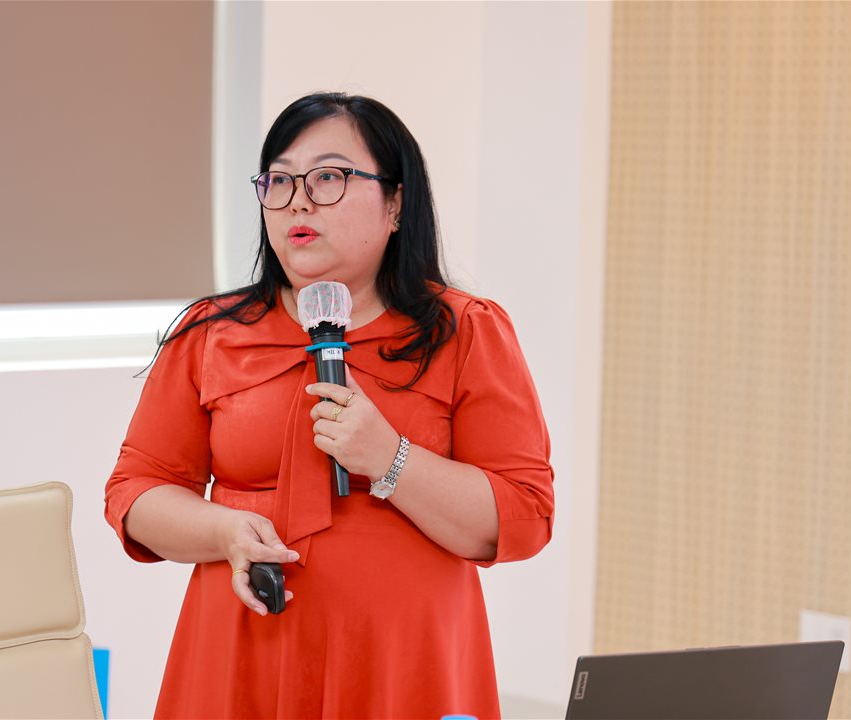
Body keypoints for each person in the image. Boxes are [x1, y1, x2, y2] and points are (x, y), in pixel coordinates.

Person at [104, 92, 555, 719]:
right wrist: (223, 532)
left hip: (402, 666)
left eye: (328, 178)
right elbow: (136, 492)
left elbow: (523, 515)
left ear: (395, 204)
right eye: (279, 181)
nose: (298, 201)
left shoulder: (467, 331)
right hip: (241, 655)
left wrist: (391, 460)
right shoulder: (209, 333)